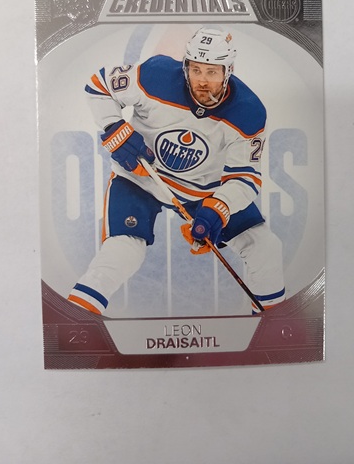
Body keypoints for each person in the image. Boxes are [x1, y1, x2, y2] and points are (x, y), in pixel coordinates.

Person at [67, 27, 285, 315]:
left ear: (228, 71)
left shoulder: (248, 112)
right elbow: (100, 85)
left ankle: (273, 325)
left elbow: (245, 177)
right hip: (140, 177)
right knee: (123, 251)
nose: (202, 81)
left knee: (264, 247)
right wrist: (114, 128)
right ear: (186, 66)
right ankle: (79, 317)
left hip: (203, 190)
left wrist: (218, 208)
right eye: (196, 70)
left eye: (212, 72)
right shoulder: (155, 75)